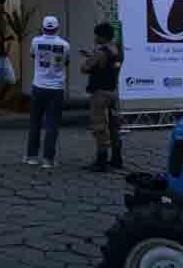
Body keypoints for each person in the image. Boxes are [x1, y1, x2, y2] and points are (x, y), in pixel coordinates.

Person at [24, 15, 70, 169]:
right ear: (57, 28)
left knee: (35, 122)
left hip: (38, 86)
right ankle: (48, 159)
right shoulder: (65, 45)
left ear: (43, 28)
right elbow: (66, 62)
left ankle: (31, 157)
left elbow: (33, 55)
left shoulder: (35, 41)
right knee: (52, 124)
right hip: (56, 89)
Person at [80, 22, 123, 172]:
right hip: (113, 92)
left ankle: (101, 160)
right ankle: (117, 159)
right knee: (114, 127)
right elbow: (106, 65)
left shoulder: (100, 51)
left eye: (96, 35)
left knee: (100, 127)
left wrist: (87, 58)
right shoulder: (117, 50)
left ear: (102, 37)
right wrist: (92, 56)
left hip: (100, 94)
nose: (95, 38)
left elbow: (84, 68)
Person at [0, 0, 16, 108]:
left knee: (11, 80)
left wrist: (8, 40)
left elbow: (3, 37)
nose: (3, 8)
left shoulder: (3, 20)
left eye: (3, 6)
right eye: (1, 6)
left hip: (3, 55)